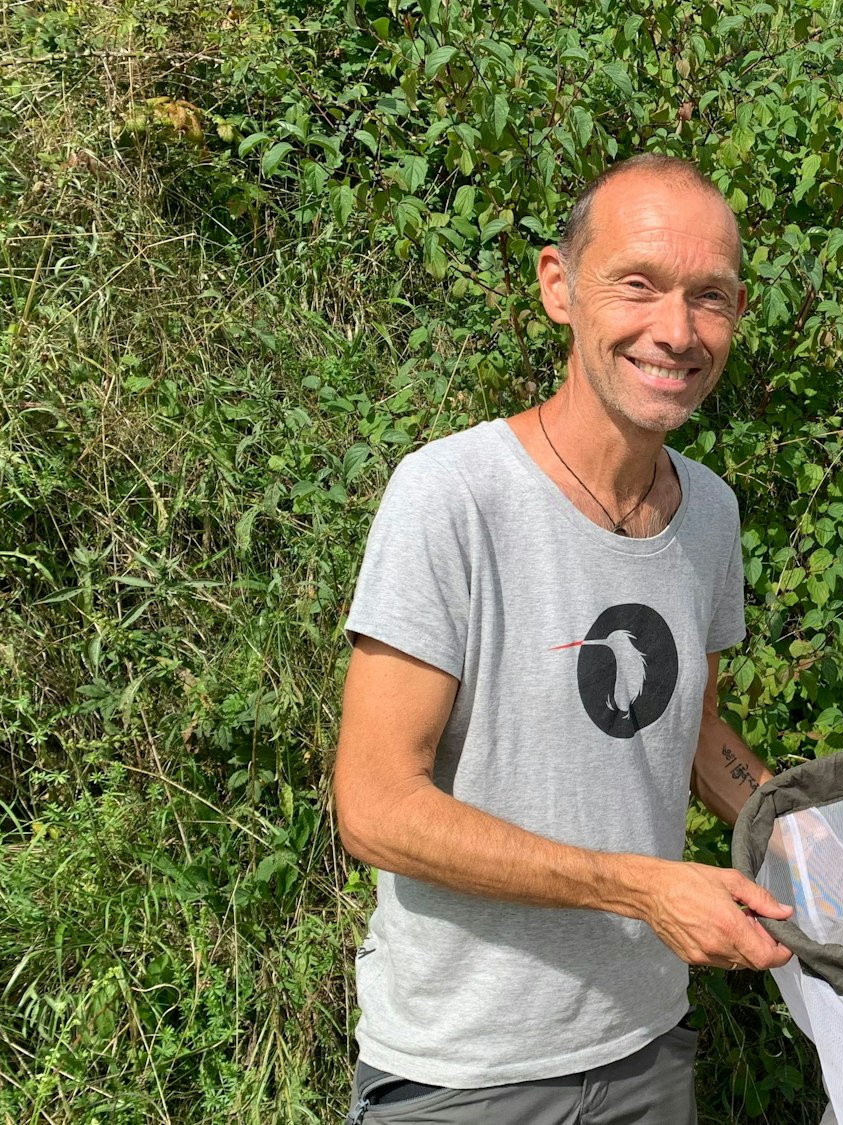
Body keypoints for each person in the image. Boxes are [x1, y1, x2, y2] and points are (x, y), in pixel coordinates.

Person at [332, 153, 791, 1123]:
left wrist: (820, 845)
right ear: (558, 286)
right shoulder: (452, 496)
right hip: (462, 1074)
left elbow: (694, 729)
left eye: (708, 297)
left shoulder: (707, 512)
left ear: (737, 315)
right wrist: (639, 890)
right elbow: (372, 805)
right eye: (639, 285)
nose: (675, 330)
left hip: (646, 1047)